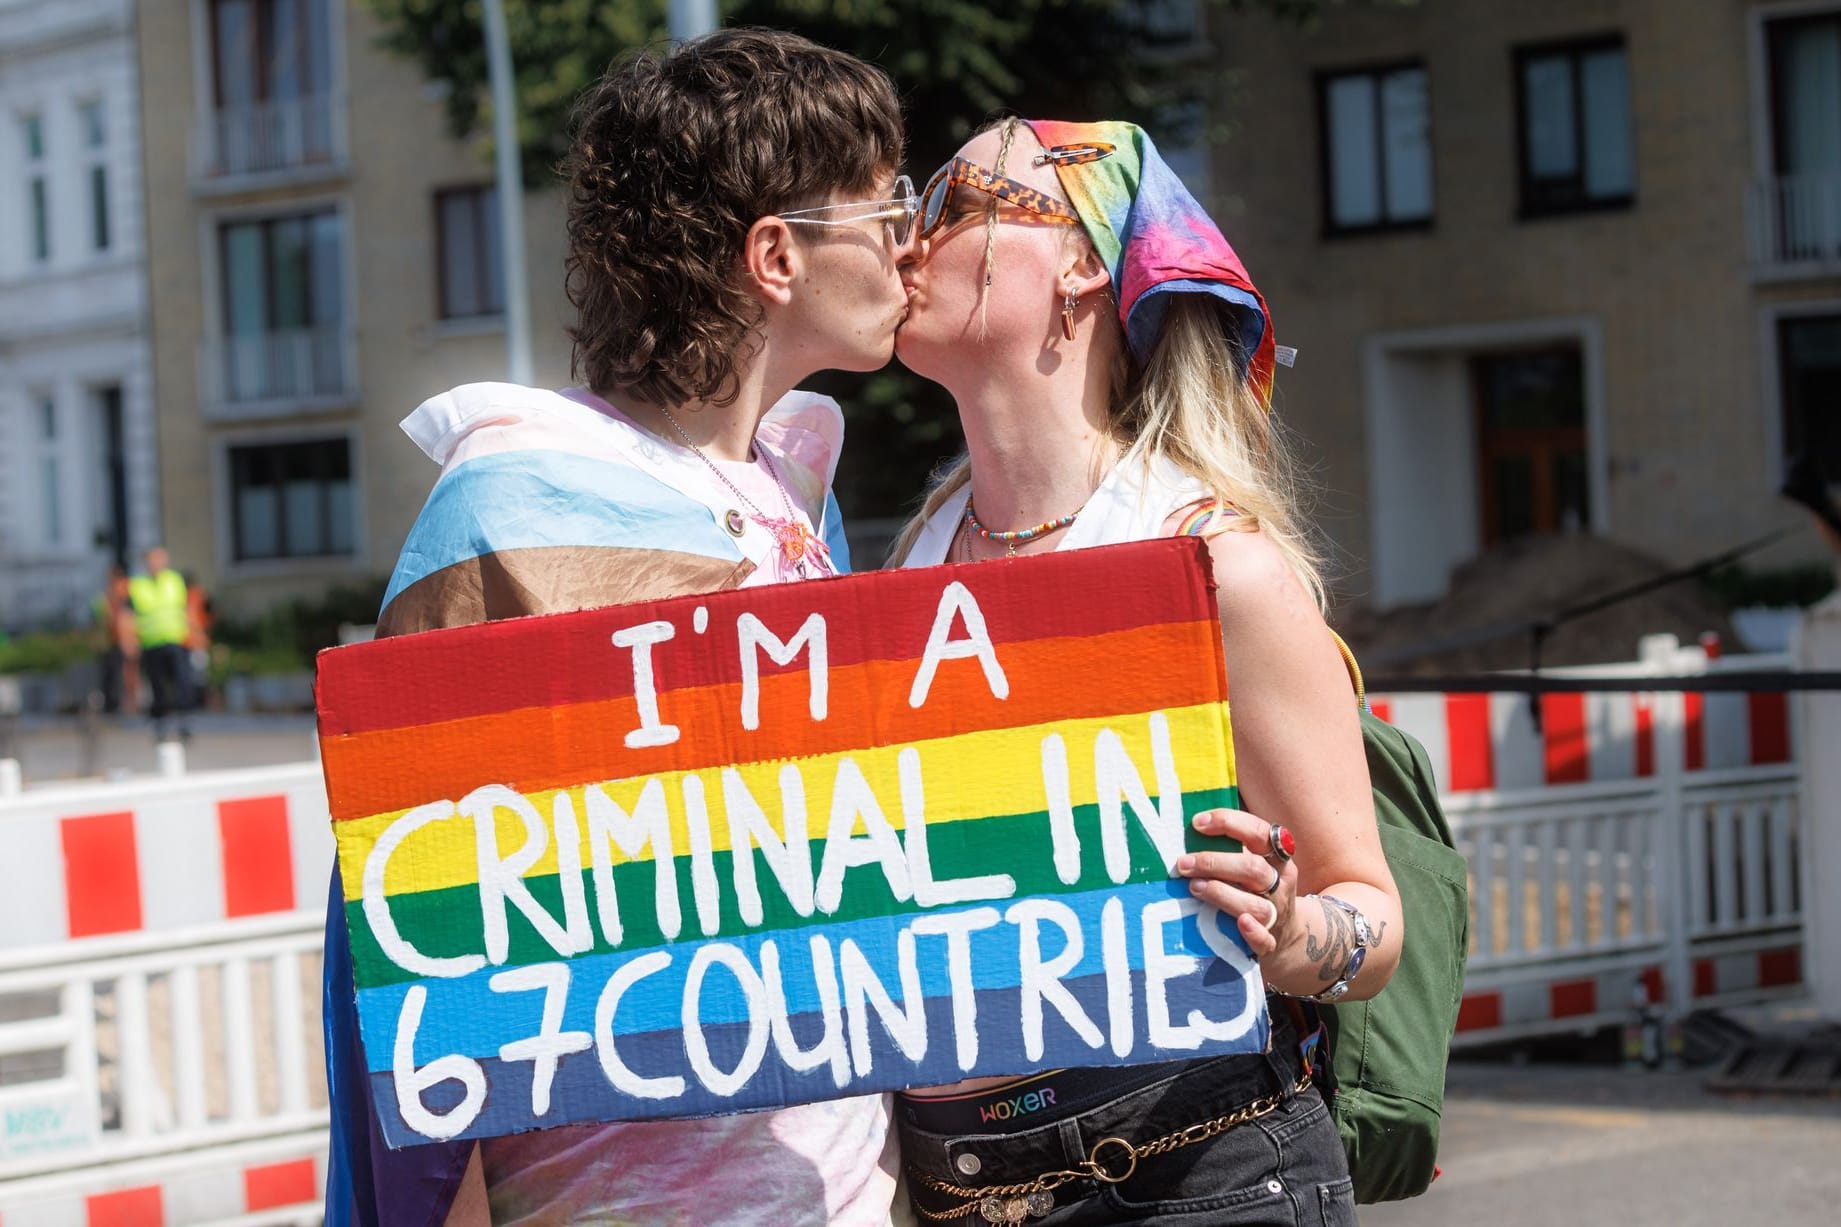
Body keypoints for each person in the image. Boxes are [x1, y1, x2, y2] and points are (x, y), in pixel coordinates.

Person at [321, 29, 920, 1227]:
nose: (912, 239)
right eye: (884, 203)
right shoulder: (515, 499)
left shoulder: (793, 491)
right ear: (775, 255)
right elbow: (419, 923)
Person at [887, 117, 1404, 1225]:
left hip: (1190, 1171)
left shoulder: (1213, 564)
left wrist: (1291, 928)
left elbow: (1370, 919)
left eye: (952, 204)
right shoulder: (911, 557)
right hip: (957, 1186)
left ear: (1079, 264)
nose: (905, 233)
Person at [128, 546, 193, 737]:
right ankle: (161, 724)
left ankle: (184, 721)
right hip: (150, 642)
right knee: (158, 685)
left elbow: (185, 607)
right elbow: (129, 615)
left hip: (175, 639)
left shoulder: (174, 580)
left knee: (182, 682)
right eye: (152, 560)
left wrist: (192, 632)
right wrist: (131, 639)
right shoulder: (138, 585)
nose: (155, 564)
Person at [91, 565, 140, 714]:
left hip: (126, 641)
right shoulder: (106, 598)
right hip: (111, 641)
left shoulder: (128, 597)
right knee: (112, 674)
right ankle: (113, 703)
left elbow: (129, 620)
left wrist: (131, 640)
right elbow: (102, 619)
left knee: (128, 673)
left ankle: (130, 702)